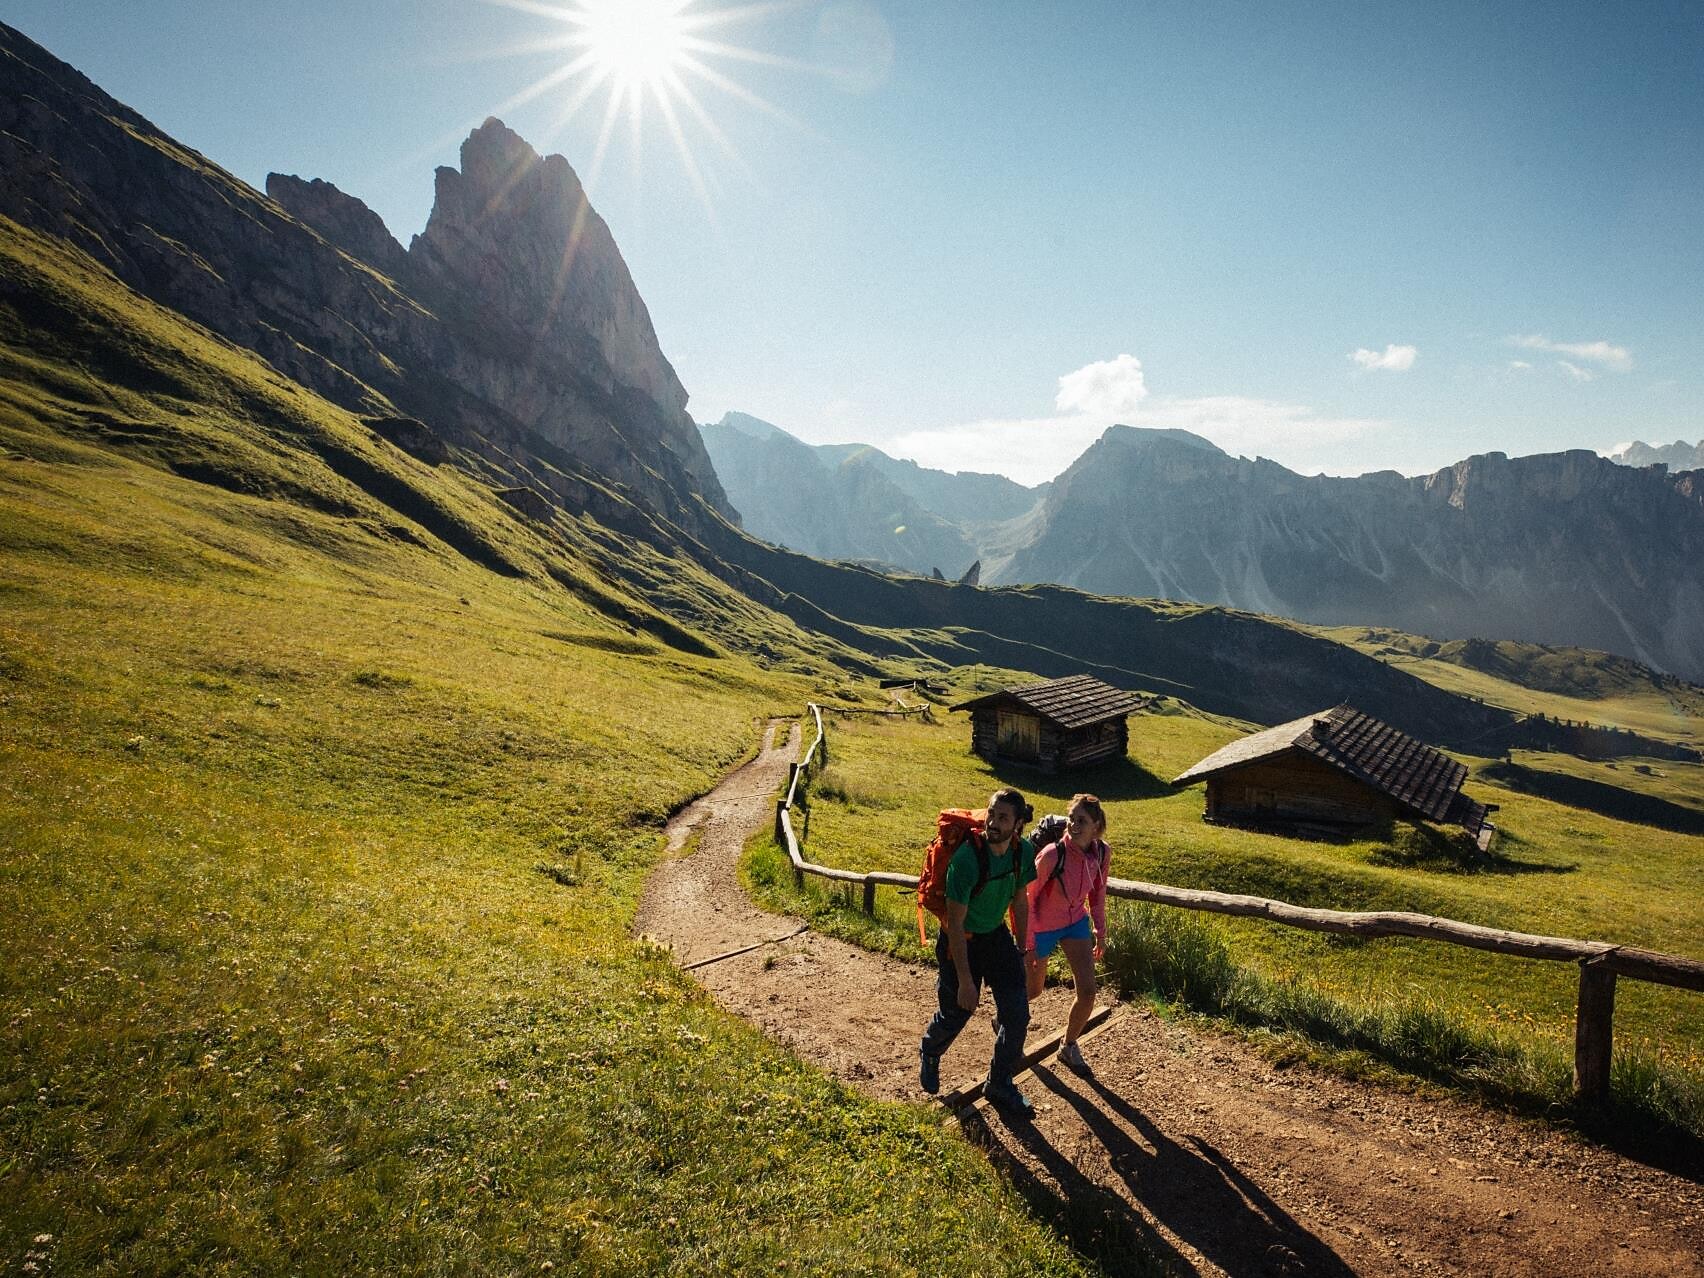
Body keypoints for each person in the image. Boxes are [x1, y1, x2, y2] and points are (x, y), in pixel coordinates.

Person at [918, 787, 1036, 1115]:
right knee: (958, 1010)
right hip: (962, 939)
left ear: (1017, 825)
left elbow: (1020, 900)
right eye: (992, 814)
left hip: (996, 937)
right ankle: (930, 1049)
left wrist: (1021, 948)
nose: (994, 823)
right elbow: (955, 924)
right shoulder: (967, 860)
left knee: (1017, 1014)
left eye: (1003, 818)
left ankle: (999, 1083)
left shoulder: (1022, 853)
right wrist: (968, 981)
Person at [1024, 793, 1110, 1072]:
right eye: (1071, 818)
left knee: (1087, 992)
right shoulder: (1052, 855)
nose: (1073, 824)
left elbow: (1098, 893)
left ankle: (1068, 1046)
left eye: (1081, 820)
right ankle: (1006, 1020)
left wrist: (1100, 929)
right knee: (1033, 991)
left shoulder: (1102, 852)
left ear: (1096, 826)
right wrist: (1028, 942)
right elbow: (1027, 897)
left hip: (1075, 922)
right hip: (1042, 927)